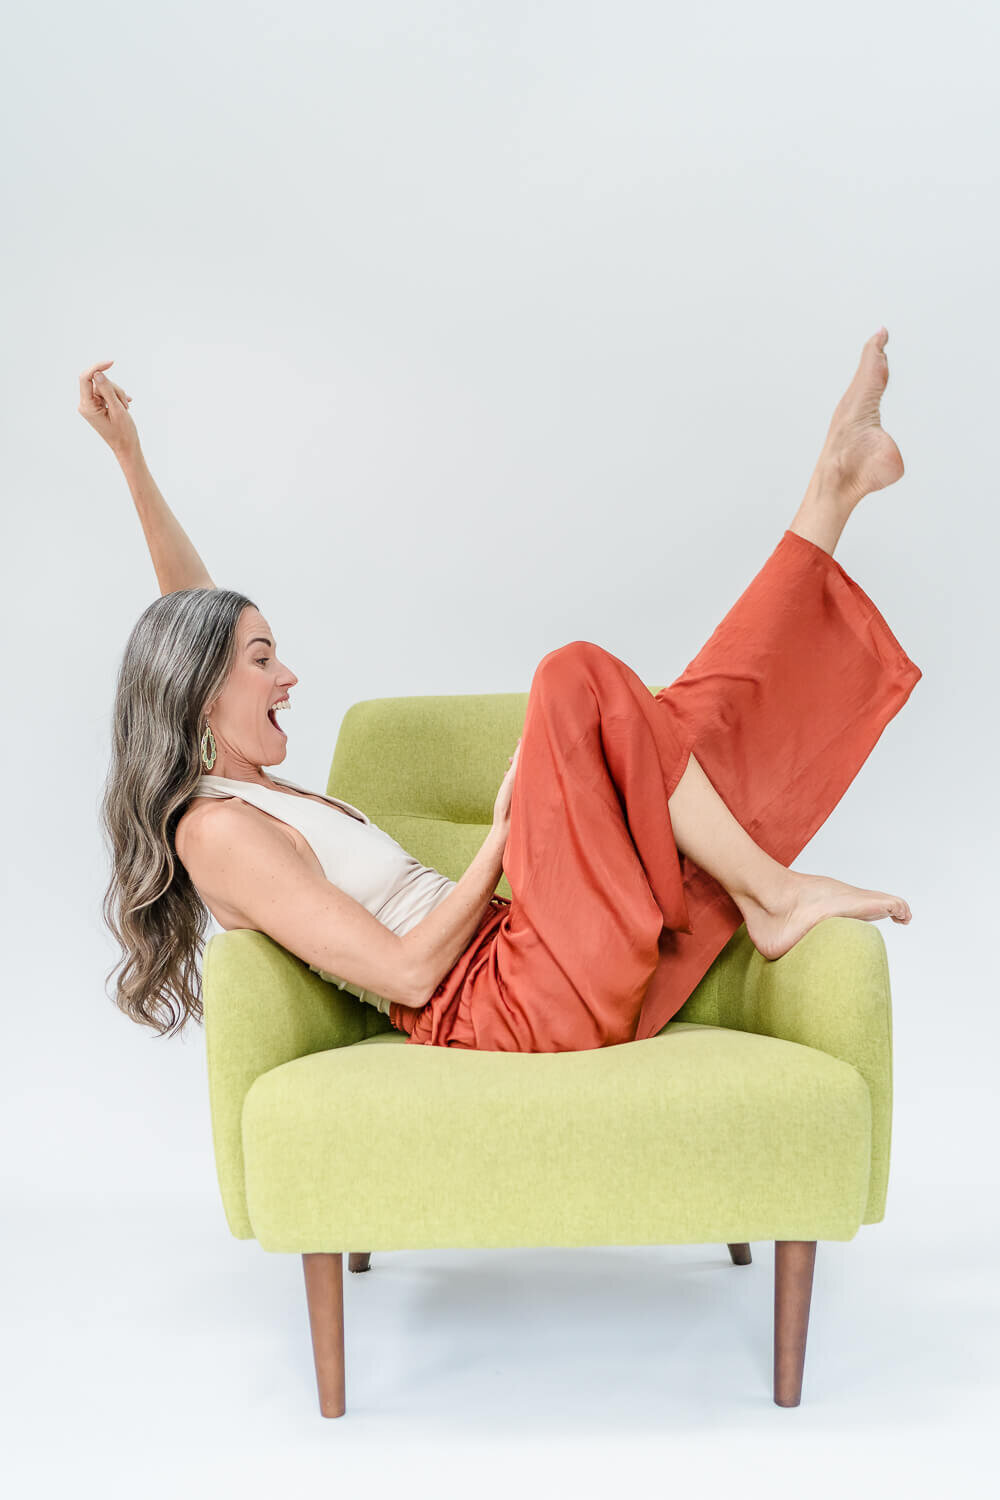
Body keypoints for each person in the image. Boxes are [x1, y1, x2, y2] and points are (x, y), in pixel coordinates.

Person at [82, 328, 919, 1051]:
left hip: (530, 953)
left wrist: (130, 459)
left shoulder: (245, 790)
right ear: (201, 692)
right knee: (574, 676)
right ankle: (772, 894)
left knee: (671, 728)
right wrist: (502, 838)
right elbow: (408, 975)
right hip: (506, 1001)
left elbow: (192, 617)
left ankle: (832, 491)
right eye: (264, 660)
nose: (289, 677)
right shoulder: (215, 831)